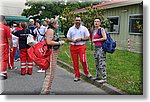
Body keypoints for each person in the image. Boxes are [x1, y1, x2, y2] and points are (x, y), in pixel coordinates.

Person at [41, 18, 65, 94]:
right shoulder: (50, 30)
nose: (58, 25)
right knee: (50, 72)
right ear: (54, 24)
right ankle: (45, 91)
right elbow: (49, 41)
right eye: (57, 24)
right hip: (51, 53)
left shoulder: (52, 30)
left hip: (53, 53)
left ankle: (47, 90)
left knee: (51, 72)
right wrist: (59, 43)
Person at [67, 16, 92, 82]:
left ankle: (87, 73)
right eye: (76, 20)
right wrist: (73, 40)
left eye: (79, 20)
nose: (77, 21)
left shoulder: (84, 28)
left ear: (81, 21)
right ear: (74, 21)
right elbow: (68, 38)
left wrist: (81, 39)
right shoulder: (71, 29)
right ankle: (77, 75)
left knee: (83, 60)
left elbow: (88, 38)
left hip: (81, 46)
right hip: (73, 47)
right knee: (75, 62)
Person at [92, 18, 107, 83]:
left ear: (100, 23)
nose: (96, 23)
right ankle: (97, 76)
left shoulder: (101, 29)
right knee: (96, 62)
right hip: (96, 48)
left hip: (101, 48)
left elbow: (104, 38)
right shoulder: (94, 30)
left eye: (98, 21)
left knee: (102, 62)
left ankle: (104, 78)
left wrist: (96, 40)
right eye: (95, 21)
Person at [0, 15, 13, 80]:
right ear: (3, 20)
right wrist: (11, 47)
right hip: (3, 45)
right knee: (4, 59)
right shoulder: (6, 28)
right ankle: (3, 73)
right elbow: (9, 39)